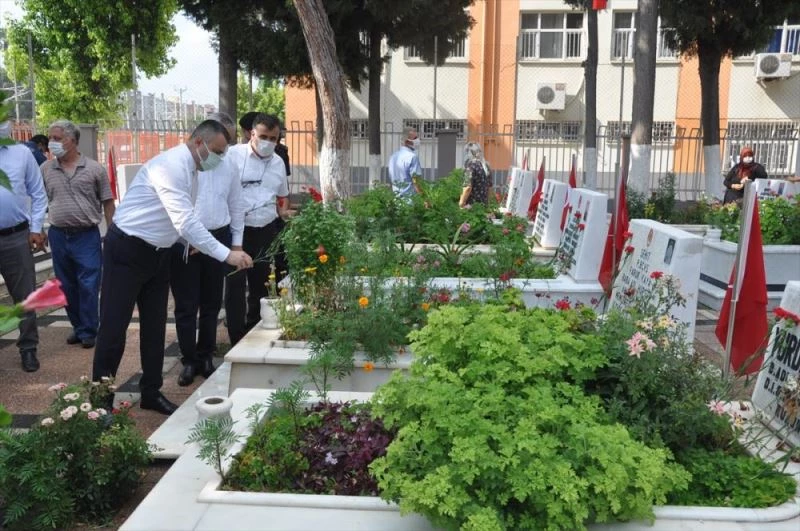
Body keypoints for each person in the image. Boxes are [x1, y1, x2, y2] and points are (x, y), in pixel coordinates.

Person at [92, 120, 253, 415]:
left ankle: (151, 392)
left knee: (154, 328)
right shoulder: (171, 166)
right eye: (217, 151)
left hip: (159, 253)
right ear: (198, 142)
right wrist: (227, 255)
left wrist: (186, 241)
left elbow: (178, 218)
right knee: (114, 329)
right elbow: (185, 220)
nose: (220, 157)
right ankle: (99, 404)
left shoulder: (193, 168)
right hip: (127, 249)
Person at [170, 112, 244, 386]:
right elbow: (176, 208)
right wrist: (191, 239)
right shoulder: (184, 164)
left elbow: (236, 204)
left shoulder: (228, 164)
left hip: (219, 237)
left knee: (212, 303)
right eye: (221, 142)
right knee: (186, 305)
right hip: (187, 242)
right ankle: (189, 360)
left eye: (228, 142)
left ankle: (206, 355)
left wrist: (236, 243)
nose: (224, 148)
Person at [41, 119, 115, 349]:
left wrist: (112, 233)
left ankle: (89, 329)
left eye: (56, 138)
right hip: (58, 235)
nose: (51, 143)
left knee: (89, 284)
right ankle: (79, 326)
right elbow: (38, 201)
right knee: (66, 285)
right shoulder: (45, 169)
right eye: (50, 138)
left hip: (86, 236)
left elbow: (108, 202)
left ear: (72, 140)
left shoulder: (94, 169)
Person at [225, 113, 290, 345]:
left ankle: (254, 331)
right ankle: (236, 338)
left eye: (273, 138)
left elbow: (282, 196)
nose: (268, 142)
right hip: (236, 231)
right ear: (251, 134)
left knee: (261, 284)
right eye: (263, 137)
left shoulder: (278, 162)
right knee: (235, 286)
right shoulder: (232, 156)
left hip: (265, 229)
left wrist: (283, 211)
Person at [0, 119, 48, 372]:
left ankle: (28, 348)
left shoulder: (22, 154)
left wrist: (36, 228)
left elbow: (38, 193)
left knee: (25, 297)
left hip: (16, 236)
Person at [388, 126, 423, 199]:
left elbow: (392, 180)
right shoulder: (412, 157)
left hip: (396, 199)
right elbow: (416, 181)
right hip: (410, 200)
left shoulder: (393, 157)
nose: (418, 140)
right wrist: (425, 199)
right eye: (415, 138)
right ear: (407, 141)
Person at [459, 142, 491, 207]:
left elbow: (467, 187)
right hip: (483, 205)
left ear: (469, 153)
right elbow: (489, 187)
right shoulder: (486, 166)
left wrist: (461, 203)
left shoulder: (470, 167)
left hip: (471, 206)